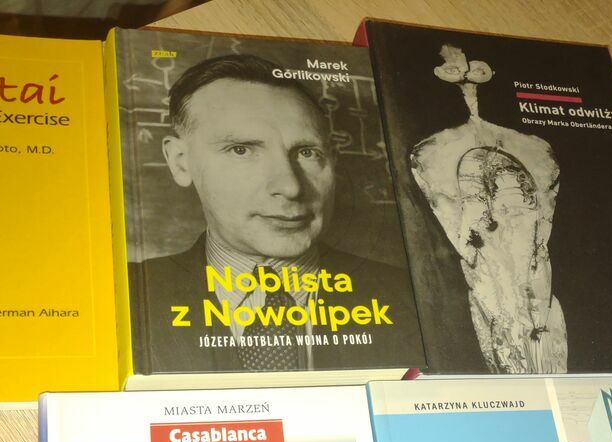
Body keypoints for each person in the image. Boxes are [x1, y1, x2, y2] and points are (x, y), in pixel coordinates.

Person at [128, 54, 420, 374]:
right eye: (241, 150)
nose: (290, 187)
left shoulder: (411, 298)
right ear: (180, 162)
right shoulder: (126, 297)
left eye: (307, 152)